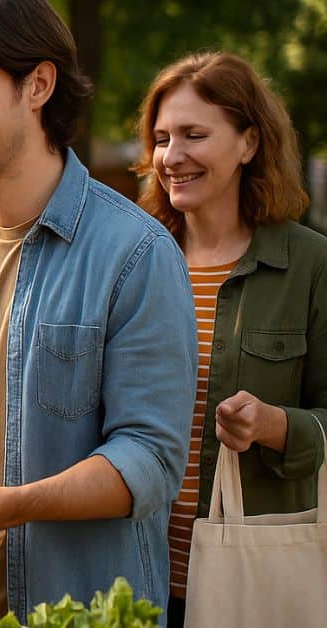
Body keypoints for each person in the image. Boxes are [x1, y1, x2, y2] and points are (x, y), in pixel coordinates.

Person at [0, 1, 197, 625]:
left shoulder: (136, 253)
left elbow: (149, 461)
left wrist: (7, 506)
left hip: (77, 608)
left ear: (39, 86)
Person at [134, 52, 327, 627]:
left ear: (249, 143)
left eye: (196, 135)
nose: (173, 157)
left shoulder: (310, 264)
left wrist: (277, 426)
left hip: (254, 577)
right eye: (162, 138)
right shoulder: (134, 258)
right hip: (133, 572)